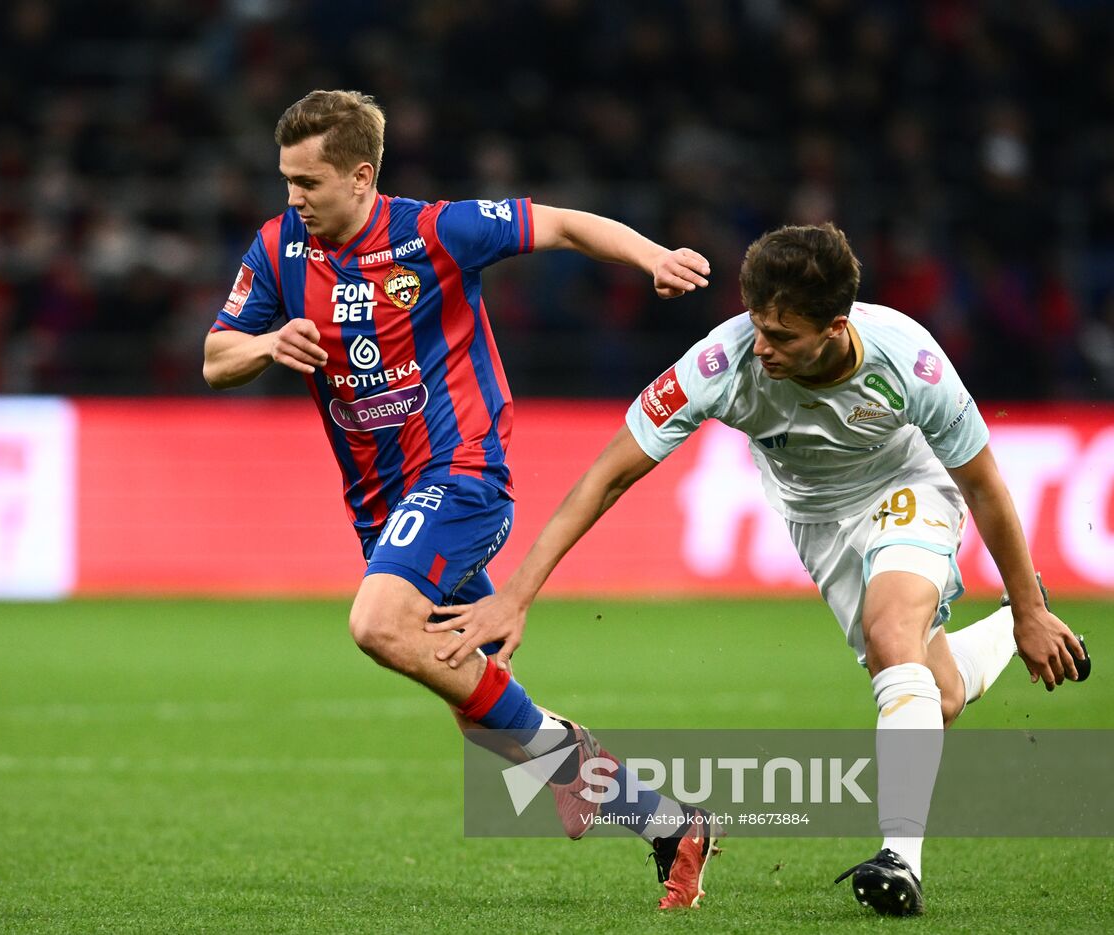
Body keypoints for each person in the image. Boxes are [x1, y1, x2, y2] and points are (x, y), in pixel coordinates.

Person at [428, 222, 1090, 917]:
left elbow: (985, 484)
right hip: (815, 521)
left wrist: (1031, 603)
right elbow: (605, 477)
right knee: (935, 693)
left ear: (837, 326)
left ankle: (900, 860)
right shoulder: (722, 361)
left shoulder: (910, 361)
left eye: (782, 335)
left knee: (892, 631)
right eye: (756, 323)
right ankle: (1003, 634)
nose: (762, 345)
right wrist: (516, 594)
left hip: (909, 487)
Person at [203, 89, 718, 909]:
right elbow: (214, 358)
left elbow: (565, 223)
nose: (291, 199)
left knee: (376, 623)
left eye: (307, 182)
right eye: (286, 181)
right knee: (471, 699)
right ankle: (667, 823)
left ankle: (568, 755)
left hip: (462, 473)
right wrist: (265, 343)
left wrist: (653, 255)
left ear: (361, 176)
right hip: (379, 507)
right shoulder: (277, 248)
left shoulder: (433, 231)